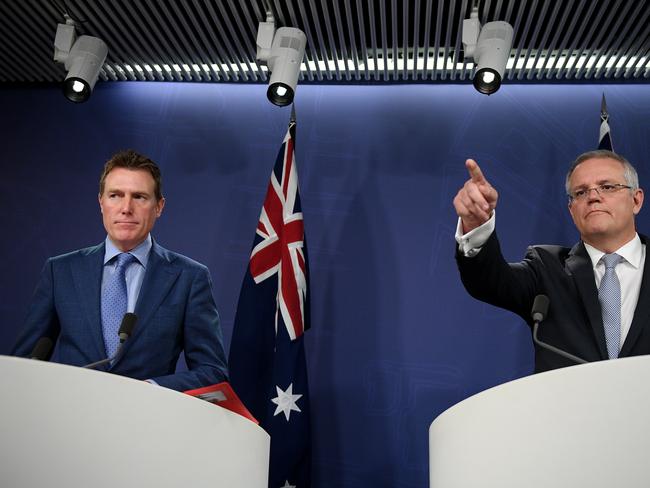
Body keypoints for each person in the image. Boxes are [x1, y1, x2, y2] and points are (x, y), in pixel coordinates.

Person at [12, 149, 228, 391]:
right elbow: (24, 363)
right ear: (101, 203)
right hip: (68, 419)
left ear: (159, 206)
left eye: (139, 197)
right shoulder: (60, 271)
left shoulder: (189, 278)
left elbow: (212, 372)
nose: (126, 208)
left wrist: (149, 388)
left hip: (145, 421)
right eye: (115, 195)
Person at [453, 149, 650, 372]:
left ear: (636, 200)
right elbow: (488, 281)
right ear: (571, 210)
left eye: (607, 187)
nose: (593, 196)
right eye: (581, 192)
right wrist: (477, 225)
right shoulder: (546, 269)